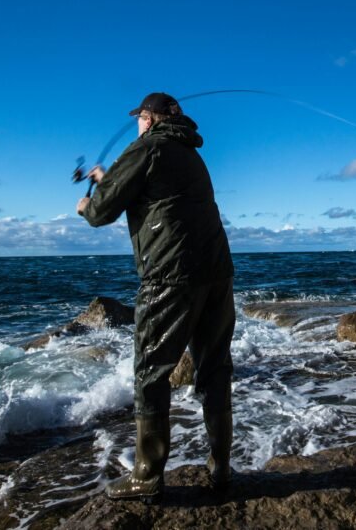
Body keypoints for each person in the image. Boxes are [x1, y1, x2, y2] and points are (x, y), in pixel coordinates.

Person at [76, 92, 235, 503]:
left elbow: (101, 213)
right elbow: (149, 188)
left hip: (169, 276)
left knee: (151, 373)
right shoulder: (189, 152)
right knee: (214, 370)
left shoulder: (147, 146)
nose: (138, 125)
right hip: (216, 273)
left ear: (148, 119)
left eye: (140, 119)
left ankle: (146, 477)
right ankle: (221, 470)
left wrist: (86, 203)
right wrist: (103, 178)